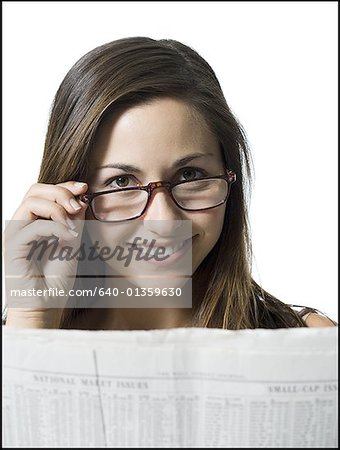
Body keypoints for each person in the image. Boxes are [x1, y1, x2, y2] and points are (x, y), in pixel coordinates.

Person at [4, 37, 336, 330]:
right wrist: (32, 322)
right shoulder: (21, 335)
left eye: (190, 175)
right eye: (122, 181)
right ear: (70, 196)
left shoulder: (310, 343)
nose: (164, 223)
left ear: (229, 177)